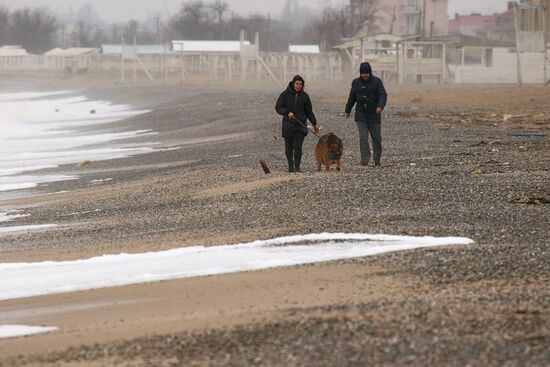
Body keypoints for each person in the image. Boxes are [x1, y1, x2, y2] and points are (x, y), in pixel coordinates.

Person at [345, 62, 388, 166]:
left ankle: (377, 159)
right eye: (362, 73)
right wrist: (348, 110)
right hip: (361, 115)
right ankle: (365, 159)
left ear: (370, 72)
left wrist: (380, 106)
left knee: (376, 138)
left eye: (366, 73)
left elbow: (383, 95)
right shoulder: (356, 82)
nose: (364, 75)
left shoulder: (377, 82)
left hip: (374, 114)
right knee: (363, 138)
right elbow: (352, 97)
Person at [275, 75, 319, 173]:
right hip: (288, 125)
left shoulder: (305, 96)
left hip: (300, 125)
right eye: (297, 84)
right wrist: (287, 112)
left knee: (298, 146)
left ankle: (297, 167)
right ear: (293, 83)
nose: (298, 86)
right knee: (289, 147)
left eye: (300, 84)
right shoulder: (285, 94)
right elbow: (278, 107)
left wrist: (314, 124)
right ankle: (291, 166)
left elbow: (309, 111)